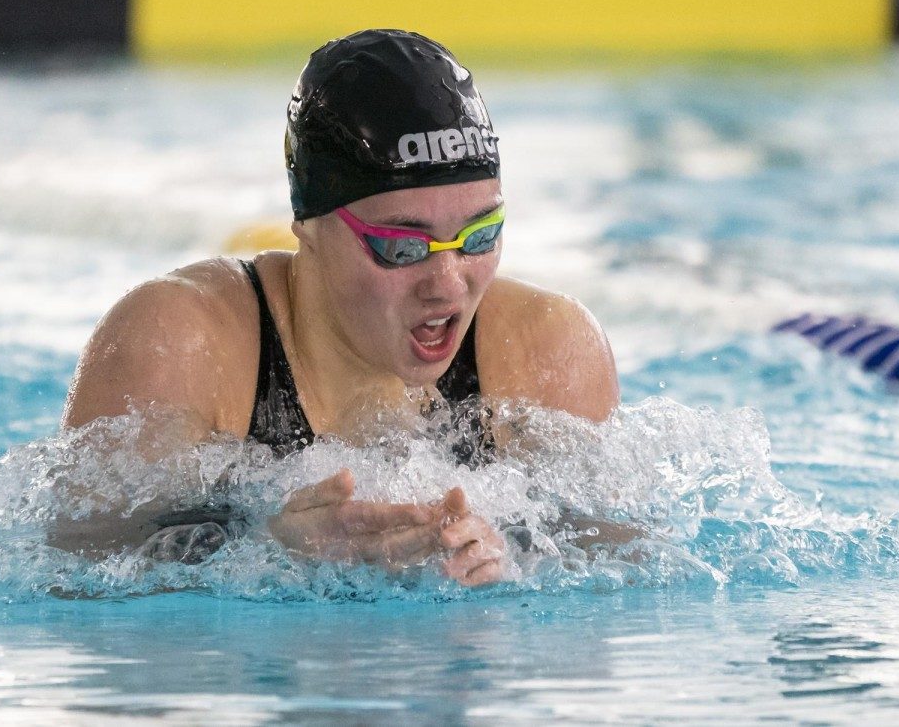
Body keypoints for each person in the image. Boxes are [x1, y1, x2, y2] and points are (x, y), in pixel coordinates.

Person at [56, 29, 619, 587]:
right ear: (308, 225)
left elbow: (628, 570)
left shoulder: (547, 352)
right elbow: (66, 570)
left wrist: (520, 558)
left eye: (478, 236)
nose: (447, 286)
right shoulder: (180, 342)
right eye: (402, 246)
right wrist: (264, 551)